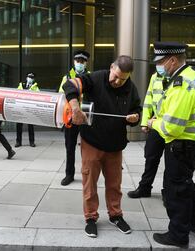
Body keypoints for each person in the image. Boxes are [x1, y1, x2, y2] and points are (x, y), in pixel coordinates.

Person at [63, 55, 141, 238]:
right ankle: (90, 218)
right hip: (92, 141)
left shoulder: (130, 88)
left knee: (114, 184)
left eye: (123, 79)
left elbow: (137, 109)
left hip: (115, 145)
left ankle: (116, 215)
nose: (117, 82)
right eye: (115, 76)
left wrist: (135, 117)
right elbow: (70, 85)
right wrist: (75, 108)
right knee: (89, 182)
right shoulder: (96, 78)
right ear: (111, 67)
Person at [149, 42, 195, 248]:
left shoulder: (181, 85)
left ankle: (177, 235)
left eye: (161, 62)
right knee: (186, 183)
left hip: (182, 144)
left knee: (176, 190)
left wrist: (153, 122)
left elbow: (172, 127)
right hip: (193, 143)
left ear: (173, 60)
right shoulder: (193, 74)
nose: (158, 66)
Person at [127, 71, 165, 198]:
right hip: (156, 124)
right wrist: (144, 122)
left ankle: (168, 192)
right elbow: (149, 99)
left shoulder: (180, 76)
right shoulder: (154, 76)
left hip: (173, 125)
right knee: (151, 157)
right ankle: (145, 187)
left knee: (172, 162)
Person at [59, 50, 90, 186]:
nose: (79, 64)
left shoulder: (90, 77)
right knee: (70, 147)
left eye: (82, 62)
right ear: (74, 62)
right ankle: (69, 174)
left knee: (87, 148)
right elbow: (60, 97)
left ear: (86, 63)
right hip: (70, 117)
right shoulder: (67, 77)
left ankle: (87, 173)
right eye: (78, 61)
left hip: (85, 117)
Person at [15, 72, 40, 148]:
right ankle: (18, 142)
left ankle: (32, 142)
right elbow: (16, 94)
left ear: (34, 79)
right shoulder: (21, 85)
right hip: (21, 108)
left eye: (32, 77)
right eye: (29, 77)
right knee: (19, 126)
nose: (30, 78)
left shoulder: (35, 87)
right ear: (26, 78)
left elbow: (39, 97)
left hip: (30, 109)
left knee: (30, 126)